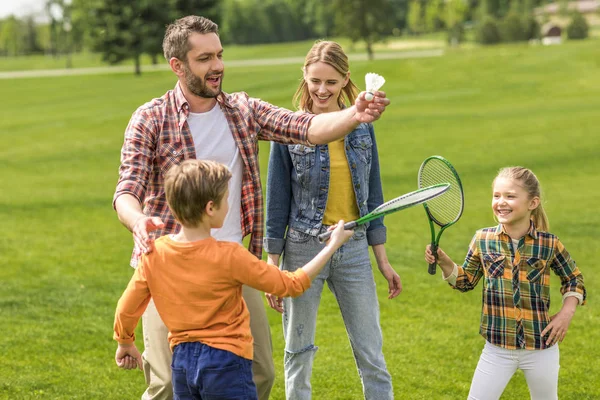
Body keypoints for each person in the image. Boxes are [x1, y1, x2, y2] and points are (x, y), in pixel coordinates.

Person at [112, 16, 390, 400]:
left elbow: (305, 127)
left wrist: (355, 115)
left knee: (260, 374)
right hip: (171, 267)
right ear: (178, 65)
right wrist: (138, 220)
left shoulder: (242, 110)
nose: (218, 66)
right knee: (167, 384)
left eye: (220, 55)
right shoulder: (150, 118)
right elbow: (127, 188)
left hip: (232, 265)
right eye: (205, 58)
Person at [113, 159, 355, 400]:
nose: (229, 206)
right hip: (226, 363)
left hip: (182, 364)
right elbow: (291, 284)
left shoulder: (153, 253)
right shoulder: (230, 255)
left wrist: (125, 342)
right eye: (226, 199)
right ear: (210, 208)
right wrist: (331, 246)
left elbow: (127, 306)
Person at [263, 40, 402, 400]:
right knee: (298, 350)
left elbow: (373, 195)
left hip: (353, 248)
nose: (321, 90)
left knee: (372, 353)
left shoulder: (362, 125)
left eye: (330, 82)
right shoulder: (289, 128)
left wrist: (382, 260)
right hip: (302, 249)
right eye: (314, 81)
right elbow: (276, 200)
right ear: (304, 78)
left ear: (345, 80)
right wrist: (272, 263)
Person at [424, 166, 587, 400]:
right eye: (497, 195)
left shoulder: (549, 244)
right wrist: (444, 261)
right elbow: (465, 281)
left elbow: (574, 279)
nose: (501, 202)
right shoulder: (483, 239)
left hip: (541, 346)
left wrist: (566, 313)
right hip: (497, 349)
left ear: (533, 203)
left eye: (510, 196)